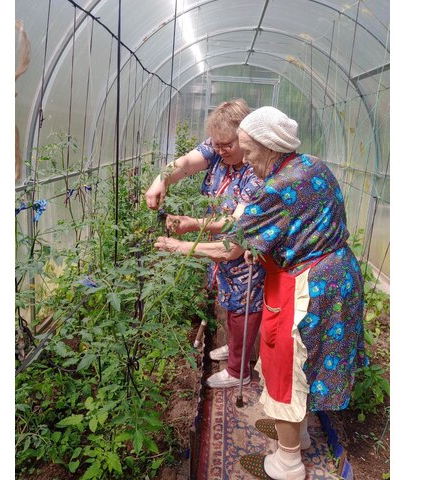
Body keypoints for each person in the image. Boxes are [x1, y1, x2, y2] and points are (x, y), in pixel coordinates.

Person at [154, 106, 365, 480]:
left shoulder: (278, 188)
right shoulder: (311, 166)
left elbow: (229, 249)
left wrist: (178, 245)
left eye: (249, 151)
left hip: (311, 285)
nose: (247, 161)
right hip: (334, 275)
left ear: (269, 146)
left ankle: (288, 463)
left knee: (288, 365)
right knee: (304, 361)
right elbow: (290, 225)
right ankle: (297, 432)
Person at [145, 99, 265, 388]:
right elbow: (186, 164)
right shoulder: (217, 148)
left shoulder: (256, 172)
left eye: (227, 145)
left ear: (245, 138)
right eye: (217, 144)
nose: (219, 150)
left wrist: (192, 225)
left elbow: (235, 224)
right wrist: (160, 181)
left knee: (243, 305)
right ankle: (236, 349)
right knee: (229, 301)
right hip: (218, 245)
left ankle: (238, 371)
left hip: (243, 249)